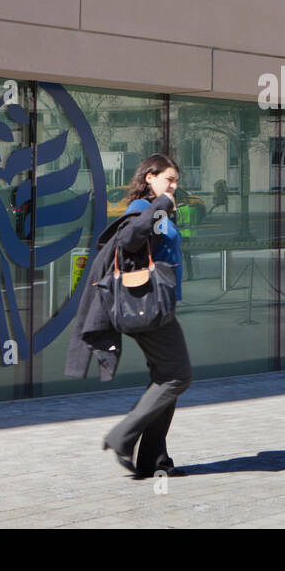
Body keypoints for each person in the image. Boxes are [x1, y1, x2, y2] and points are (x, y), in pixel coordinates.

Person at [100, 154, 193, 478]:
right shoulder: (141, 209)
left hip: (160, 307)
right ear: (150, 177)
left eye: (176, 181)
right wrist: (162, 204)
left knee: (165, 379)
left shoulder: (156, 211)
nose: (174, 186)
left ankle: (153, 461)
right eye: (169, 179)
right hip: (148, 308)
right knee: (177, 376)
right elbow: (128, 238)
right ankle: (122, 436)